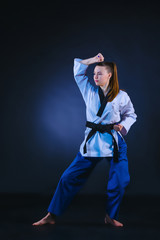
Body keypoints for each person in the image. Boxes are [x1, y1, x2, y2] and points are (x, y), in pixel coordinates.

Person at [32, 53, 137, 227]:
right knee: (67, 178)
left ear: (109, 75)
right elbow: (78, 73)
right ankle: (51, 215)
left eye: (99, 73)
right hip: (93, 143)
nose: (95, 76)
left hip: (114, 143)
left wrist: (122, 126)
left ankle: (110, 216)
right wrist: (93, 61)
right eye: (94, 73)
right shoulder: (88, 90)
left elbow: (131, 114)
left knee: (120, 181)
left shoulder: (121, 96)